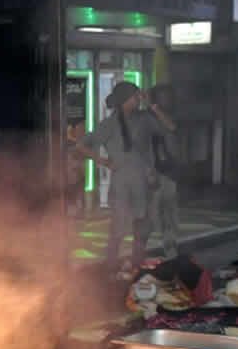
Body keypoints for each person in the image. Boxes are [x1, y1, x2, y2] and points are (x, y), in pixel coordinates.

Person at [75, 81, 176, 273]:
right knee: (118, 227)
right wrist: (104, 161)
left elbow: (170, 127)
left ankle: (137, 265)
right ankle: (110, 268)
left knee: (143, 227)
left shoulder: (145, 118)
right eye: (135, 96)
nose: (138, 99)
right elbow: (81, 145)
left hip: (144, 182)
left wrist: (153, 107)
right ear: (124, 100)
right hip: (122, 183)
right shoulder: (109, 124)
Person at [148, 84, 180, 259]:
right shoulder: (146, 118)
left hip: (169, 172)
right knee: (153, 214)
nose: (166, 99)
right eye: (162, 96)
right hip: (153, 172)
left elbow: (172, 126)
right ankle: (148, 251)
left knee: (169, 213)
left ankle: (170, 249)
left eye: (168, 96)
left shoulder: (169, 116)